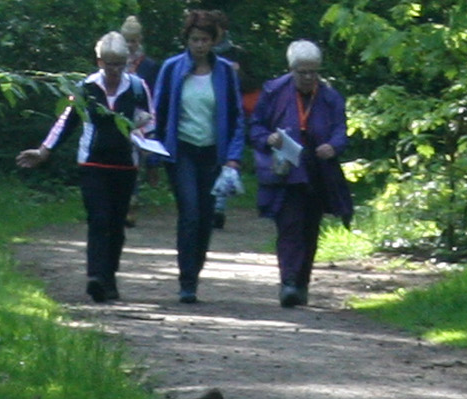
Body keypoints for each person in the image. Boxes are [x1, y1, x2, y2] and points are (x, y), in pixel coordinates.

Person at [17, 31, 154, 302]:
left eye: (120, 64)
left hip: (125, 166)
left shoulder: (138, 87)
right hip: (93, 163)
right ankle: (96, 277)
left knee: (116, 224)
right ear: (99, 62)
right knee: (98, 219)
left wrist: (144, 134)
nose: (115, 70)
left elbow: (150, 120)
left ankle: (109, 277)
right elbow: (67, 122)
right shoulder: (85, 88)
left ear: (127, 62)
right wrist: (44, 151)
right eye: (109, 64)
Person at [145, 9, 246, 302]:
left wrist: (233, 158)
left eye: (204, 39)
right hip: (182, 151)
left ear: (214, 41)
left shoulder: (225, 72)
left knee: (206, 217)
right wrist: (153, 157)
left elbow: (237, 117)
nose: (199, 45)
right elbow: (158, 113)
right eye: (194, 39)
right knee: (189, 213)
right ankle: (186, 282)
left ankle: (195, 273)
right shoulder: (172, 69)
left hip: (213, 153)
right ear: (186, 40)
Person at [249, 40, 350, 307]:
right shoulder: (273, 91)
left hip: (318, 172)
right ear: (291, 69)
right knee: (289, 226)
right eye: (302, 72)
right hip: (286, 172)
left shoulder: (330, 97)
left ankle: (302, 282)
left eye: (313, 72)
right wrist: (268, 138)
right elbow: (256, 127)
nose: (308, 77)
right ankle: (289, 283)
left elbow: (341, 130)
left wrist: (333, 146)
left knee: (309, 228)